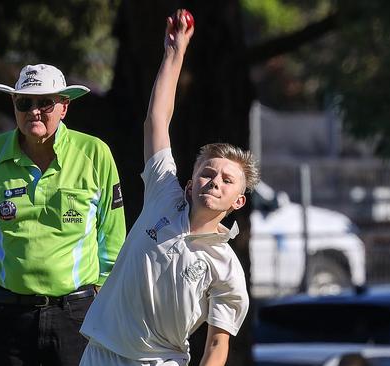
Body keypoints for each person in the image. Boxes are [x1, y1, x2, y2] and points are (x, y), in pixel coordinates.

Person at [79, 10, 259, 366]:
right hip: (103, 353)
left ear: (238, 201)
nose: (214, 182)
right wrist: (175, 53)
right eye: (208, 173)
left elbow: (217, 346)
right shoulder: (164, 193)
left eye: (226, 180)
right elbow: (157, 120)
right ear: (190, 185)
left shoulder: (225, 266)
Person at [0, 63, 126, 366]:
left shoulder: (94, 152)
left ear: (64, 107)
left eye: (45, 102)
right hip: (6, 315)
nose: (34, 111)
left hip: (77, 313)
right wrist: (11, 274)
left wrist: (99, 292)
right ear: (14, 105)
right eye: (25, 102)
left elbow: (112, 233)